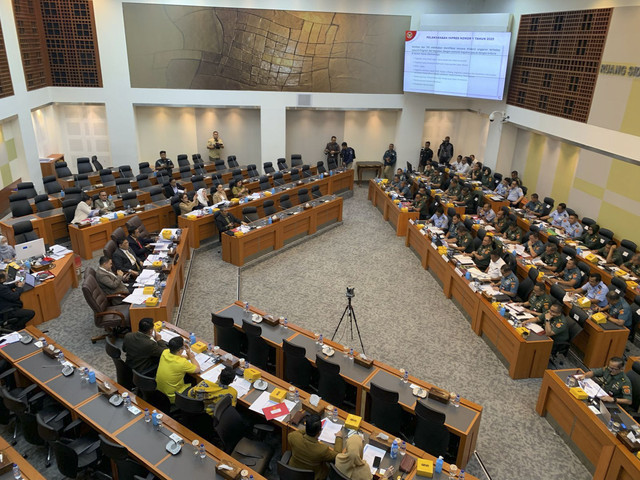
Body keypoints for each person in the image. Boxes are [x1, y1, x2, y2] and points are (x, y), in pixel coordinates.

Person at [288, 414, 344, 480]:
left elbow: (298, 433)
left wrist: (310, 428)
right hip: (314, 476)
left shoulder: (293, 437)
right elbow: (337, 455)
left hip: (294, 472)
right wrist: (339, 437)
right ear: (319, 433)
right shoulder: (322, 450)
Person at [156, 336, 201, 403]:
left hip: (160, 392)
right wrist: (192, 357)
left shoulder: (165, 352)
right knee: (196, 381)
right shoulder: (182, 363)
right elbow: (197, 369)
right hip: (174, 396)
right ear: (180, 350)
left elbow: (179, 357)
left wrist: (188, 355)